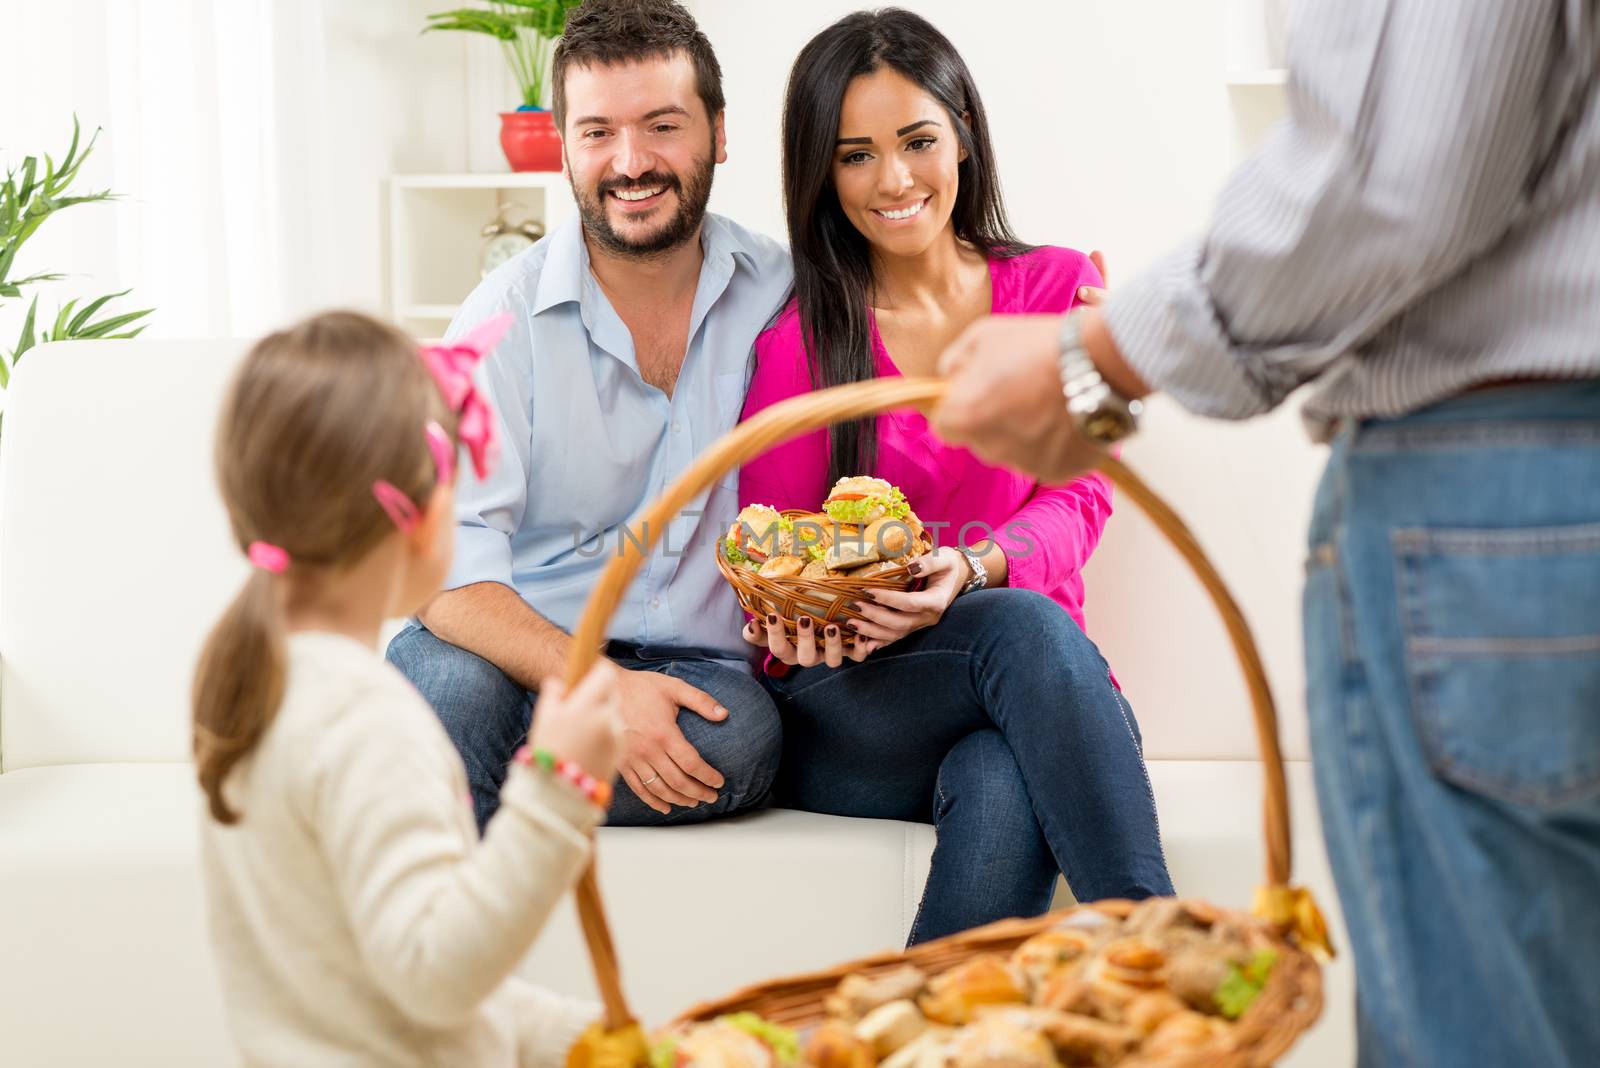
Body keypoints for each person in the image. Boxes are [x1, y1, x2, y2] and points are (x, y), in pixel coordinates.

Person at [934, 1, 1600, 1063]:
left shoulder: (1049, 279)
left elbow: (1395, 168)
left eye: (917, 141)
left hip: (1504, 489)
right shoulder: (804, 325)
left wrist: (1094, 358)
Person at [738, 8, 1172, 945]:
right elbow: (769, 555)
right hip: (859, 706)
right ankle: (1163, 955)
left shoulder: (1058, 293)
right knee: (1021, 624)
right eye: (855, 154)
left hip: (1038, 694)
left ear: (963, 137)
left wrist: (973, 570)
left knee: (1002, 769)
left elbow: (1086, 491)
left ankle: (921, 1042)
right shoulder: (799, 344)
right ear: (820, 170)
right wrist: (811, 619)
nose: (893, 179)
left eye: (917, 140)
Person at [386, 0, 793, 831]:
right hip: (516, 650)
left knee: (741, 741)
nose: (630, 162)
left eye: (662, 126)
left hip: (698, 668)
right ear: (566, 147)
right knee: (449, 694)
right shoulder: (501, 320)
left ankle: (469, 806)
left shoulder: (783, 291)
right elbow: (444, 568)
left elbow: (924, 305)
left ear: (719, 132)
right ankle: (486, 838)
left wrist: (1060, 299)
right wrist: (597, 688)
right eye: (597, 131)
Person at [193, 310, 625, 1067]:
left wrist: (574, 1037)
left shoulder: (258, 682)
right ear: (423, 520)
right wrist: (560, 786)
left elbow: (372, 975)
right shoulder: (363, 720)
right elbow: (434, 974)